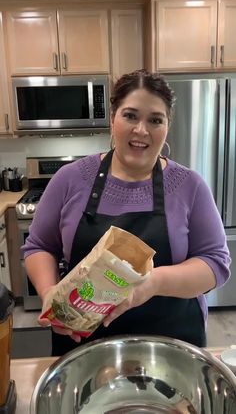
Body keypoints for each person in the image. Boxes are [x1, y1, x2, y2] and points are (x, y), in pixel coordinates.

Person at [23, 69, 231, 356]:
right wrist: (48, 294)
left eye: (155, 120)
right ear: (113, 119)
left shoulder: (190, 186)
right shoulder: (70, 179)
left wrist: (153, 283)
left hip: (171, 348)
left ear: (167, 126)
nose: (141, 130)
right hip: (83, 345)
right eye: (130, 115)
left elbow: (216, 264)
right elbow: (39, 246)